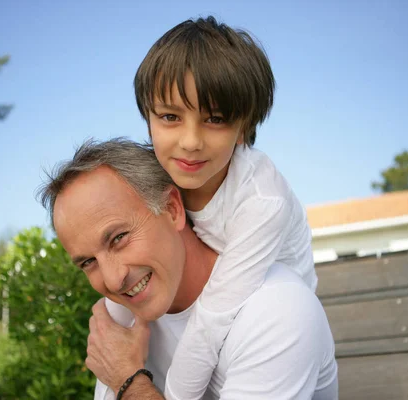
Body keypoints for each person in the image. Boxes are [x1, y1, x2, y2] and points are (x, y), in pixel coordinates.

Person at [105, 16, 318, 399]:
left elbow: (215, 317)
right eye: (170, 117)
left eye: (215, 119)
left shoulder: (262, 200)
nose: (190, 142)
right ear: (148, 119)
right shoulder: (157, 177)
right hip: (200, 332)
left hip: (269, 336)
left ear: (243, 126)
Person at [39, 138, 338, 399]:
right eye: (88, 262)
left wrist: (128, 381)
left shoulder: (276, 308)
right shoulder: (119, 322)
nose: (114, 280)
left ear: (172, 209)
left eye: (119, 238)